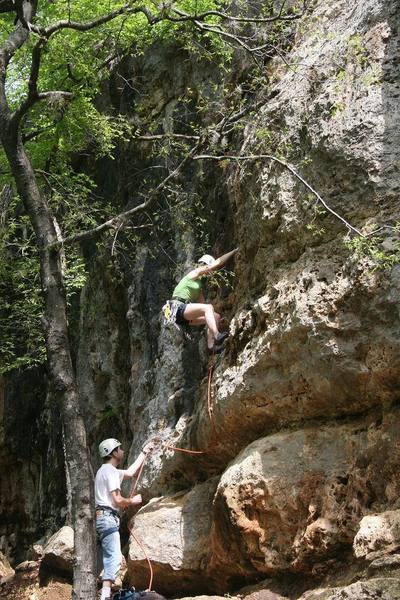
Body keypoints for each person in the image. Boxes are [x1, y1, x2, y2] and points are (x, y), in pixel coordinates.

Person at [95, 438, 154, 600]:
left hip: (102, 519)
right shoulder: (110, 472)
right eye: (120, 449)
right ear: (113, 452)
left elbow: (130, 472)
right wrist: (132, 501)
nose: (122, 451)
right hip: (107, 518)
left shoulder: (104, 470)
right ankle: (104, 597)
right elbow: (117, 500)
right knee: (113, 558)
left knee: (100, 561)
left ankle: (94, 593)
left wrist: (144, 452)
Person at [169, 247, 238, 353]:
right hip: (176, 307)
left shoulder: (198, 286)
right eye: (210, 269)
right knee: (208, 308)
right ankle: (217, 335)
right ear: (204, 265)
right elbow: (217, 263)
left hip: (182, 315)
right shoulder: (194, 273)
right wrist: (233, 251)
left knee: (215, 315)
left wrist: (216, 321)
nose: (211, 272)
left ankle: (211, 348)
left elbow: (204, 308)